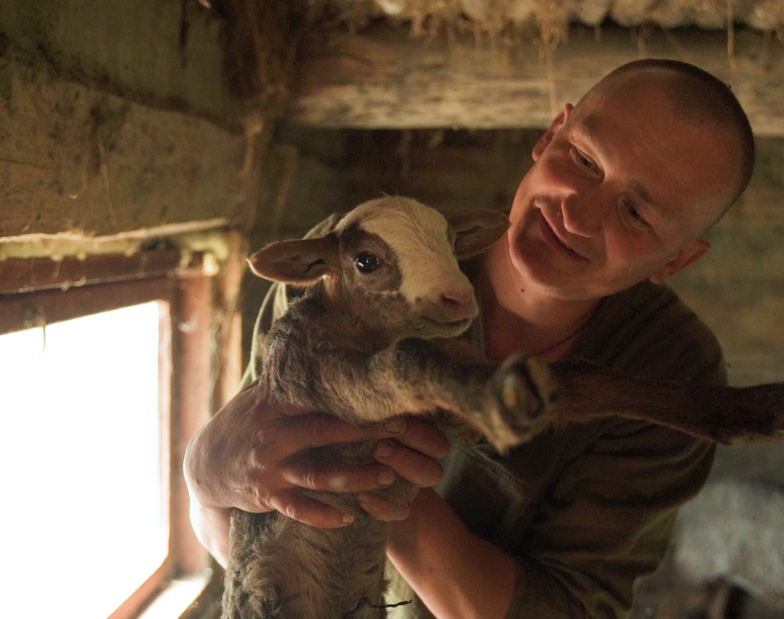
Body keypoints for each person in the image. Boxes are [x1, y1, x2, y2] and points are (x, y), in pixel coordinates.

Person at [183, 58, 755, 619]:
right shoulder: (362, 260)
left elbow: (571, 608)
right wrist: (204, 475)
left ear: (677, 259)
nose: (577, 216)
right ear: (551, 133)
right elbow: (251, 526)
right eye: (583, 160)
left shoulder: (671, 369)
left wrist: (387, 489)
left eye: (634, 212)